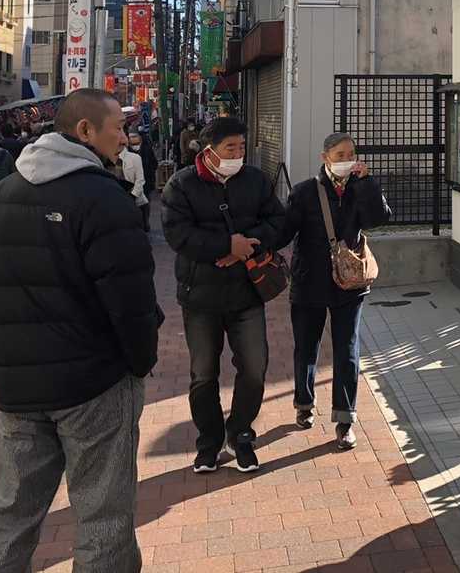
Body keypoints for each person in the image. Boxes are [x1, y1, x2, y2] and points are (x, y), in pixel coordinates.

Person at [0, 88, 159, 573]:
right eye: (118, 127)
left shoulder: (1, 195)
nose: (125, 138)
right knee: (103, 516)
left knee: (11, 510)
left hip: (17, 383)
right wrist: (140, 363)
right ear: (85, 131)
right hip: (94, 382)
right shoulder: (103, 197)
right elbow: (132, 300)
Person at [162, 117, 286, 473]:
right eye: (230, 147)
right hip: (200, 298)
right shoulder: (181, 184)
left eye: (241, 147)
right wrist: (225, 245)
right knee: (203, 374)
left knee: (255, 368)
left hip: (247, 294)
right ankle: (209, 442)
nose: (237, 154)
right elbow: (177, 234)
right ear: (209, 150)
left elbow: (279, 223)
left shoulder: (256, 180)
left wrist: (246, 248)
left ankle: (241, 433)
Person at [276, 132, 390, 451]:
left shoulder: (359, 189)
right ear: (325, 157)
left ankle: (345, 420)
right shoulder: (304, 192)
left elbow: (379, 219)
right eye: (340, 155)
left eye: (351, 154)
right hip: (309, 281)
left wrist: (367, 184)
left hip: (349, 283)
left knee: (347, 350)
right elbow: (284, 232)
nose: (347, 160)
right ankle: (304, 402)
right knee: (306, 346)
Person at [118, 131, 149, 231]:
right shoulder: (108, 160)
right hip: (118, 205)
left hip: (137, 203)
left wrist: (132, 196)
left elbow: (140, 180)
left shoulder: (134, 158)